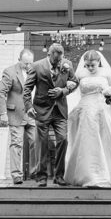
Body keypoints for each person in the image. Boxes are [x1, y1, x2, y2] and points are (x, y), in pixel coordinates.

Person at [64, 49, 111, 187]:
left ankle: (109, 173)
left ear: (98, 62)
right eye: (87, 65)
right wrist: (68, 85)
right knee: (86, 140)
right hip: (86, 108)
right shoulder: (80, 74)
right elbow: (73, 88)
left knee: (105, 139)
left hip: (102, 109)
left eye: (92, 65)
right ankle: (86, 174)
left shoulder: (106, 73)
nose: (89, 68)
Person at [23, 42, 78, 188]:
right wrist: (28, 106)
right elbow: (27, 88)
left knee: (63, 140)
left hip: (60, 110)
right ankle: (41, 177)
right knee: (42, 143)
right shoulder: (36, 66)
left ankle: (59, 176)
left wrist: (63, 91)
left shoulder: (67, 64)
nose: (59, 63)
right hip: (41, 110)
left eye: (60, 60)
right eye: (55, 60)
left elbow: (74, 82)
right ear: (49, 55)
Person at [0, 48, 36, 186]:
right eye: (25, 64)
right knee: (17, 144)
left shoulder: (35, 70)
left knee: (36, 142)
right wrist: (3, 114)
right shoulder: (10, 72)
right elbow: (0, 93)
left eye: (30, 63)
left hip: (32, 113)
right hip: (16, 113)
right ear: (19, 60)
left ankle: (35, 172)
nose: (28, 66)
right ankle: (17, 175)